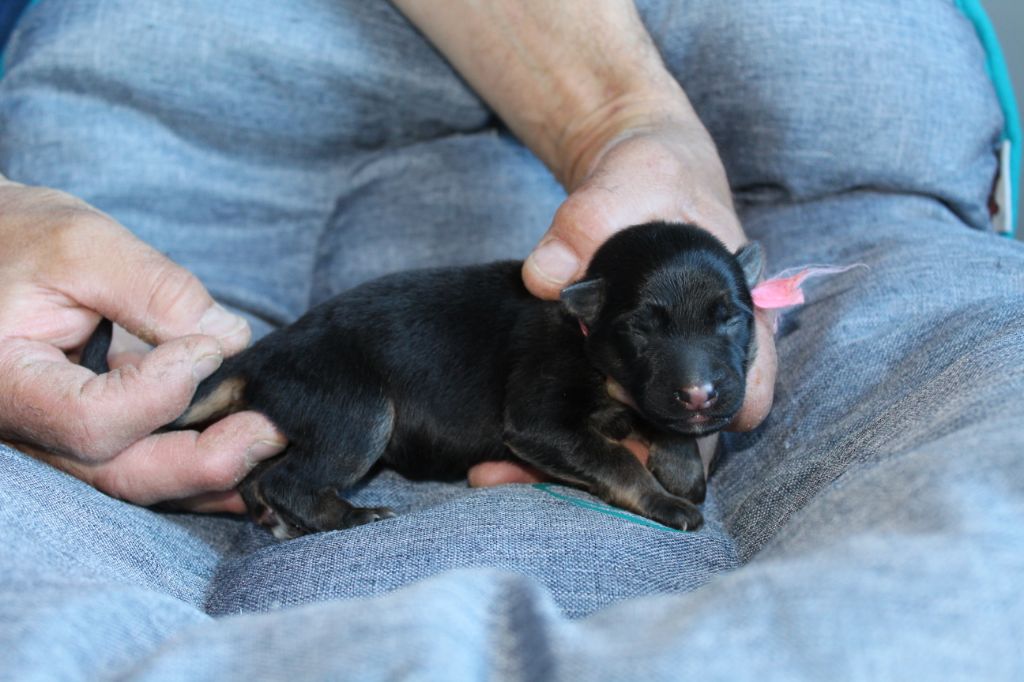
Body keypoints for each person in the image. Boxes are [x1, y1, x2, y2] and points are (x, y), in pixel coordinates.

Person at [1, 1, 1021, 679]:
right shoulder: (545, 335)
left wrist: (631, 125)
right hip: (202, 274)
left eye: (721, 325)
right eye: (645, 333)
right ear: (586, 315)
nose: (696, 382)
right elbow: (540, 424)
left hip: (839, 200)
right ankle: (299, 495)